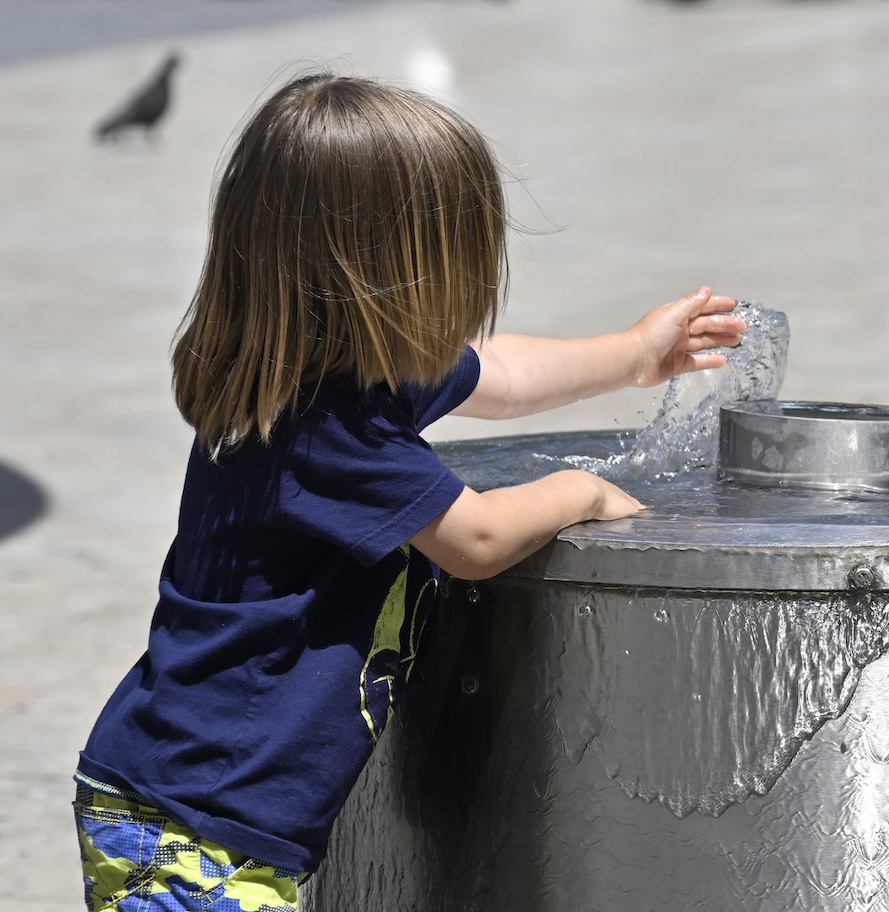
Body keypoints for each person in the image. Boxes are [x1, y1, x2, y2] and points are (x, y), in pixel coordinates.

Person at [72, 72, 745, 911]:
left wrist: (634, 354)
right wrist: (582, 491)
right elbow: (478, 542)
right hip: (195, 829)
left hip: (195, 804)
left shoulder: (330, 368)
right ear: (381, 273)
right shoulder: (324, 422)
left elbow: (499, 375)